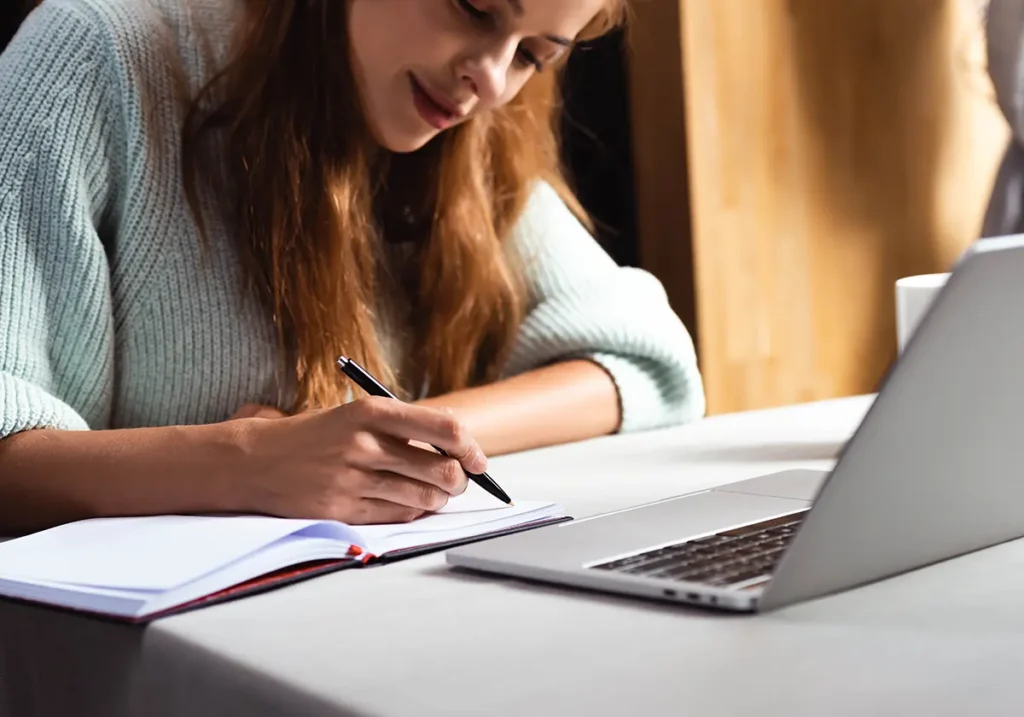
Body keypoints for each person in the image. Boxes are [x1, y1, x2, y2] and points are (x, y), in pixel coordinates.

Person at [0, 0, 705, 534]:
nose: (490, 81)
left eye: (535, 56)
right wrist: (248, 460)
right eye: (475, 8)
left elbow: (648, 364)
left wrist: (385, 436)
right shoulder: (96, 60)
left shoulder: (470, 133)